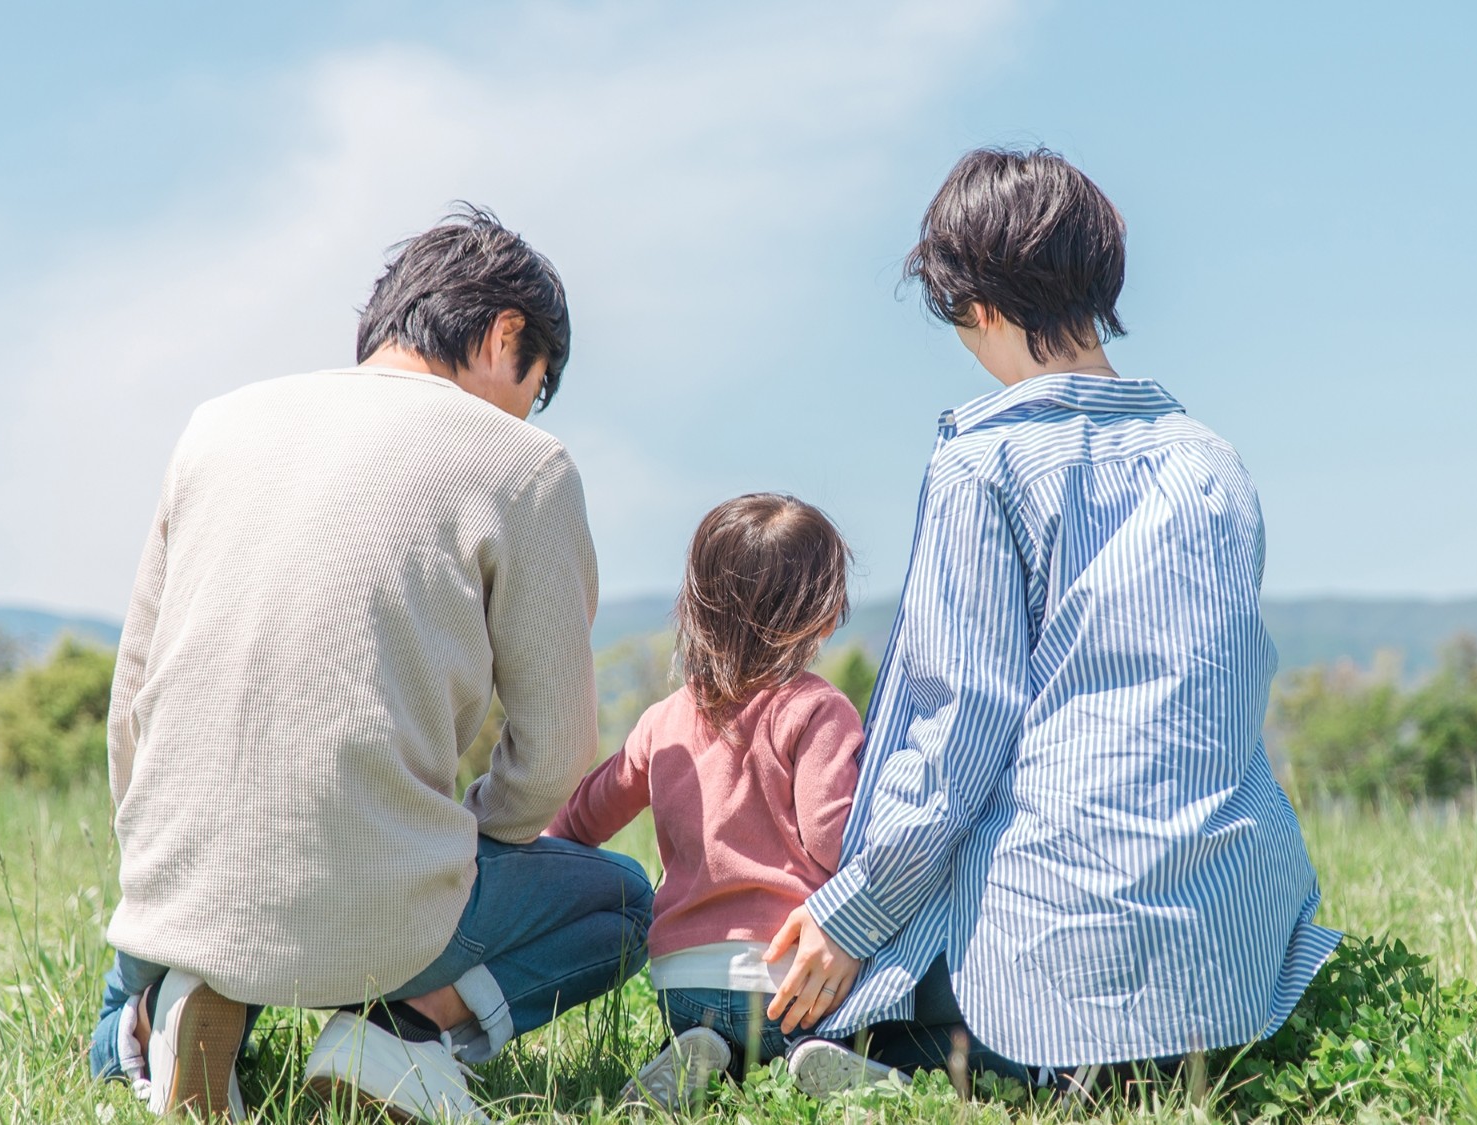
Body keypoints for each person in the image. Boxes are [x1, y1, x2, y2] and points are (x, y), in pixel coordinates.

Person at [764, 148, 1343, 1098]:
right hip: (1233, 969)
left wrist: (850, 915)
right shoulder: (1211, 461)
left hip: (1055, 962)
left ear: (977, 305)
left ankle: (912, 1065)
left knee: (840, 993)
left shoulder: (982, 465)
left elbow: (960, 733)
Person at [91, 205, 653, 1123]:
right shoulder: (525, 465)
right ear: (507, 333)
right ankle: (394, 1035)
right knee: (624, 901)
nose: (528, 408)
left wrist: (164, 854)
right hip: (380, 914)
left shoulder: (215, 426)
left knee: (150, 949)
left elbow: (131, 707)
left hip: (174, 883)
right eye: (535, 381)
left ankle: (158, 1015)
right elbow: (555, 755)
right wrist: (471, 839)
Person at [544, 493, 868, 1108]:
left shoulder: (664, 718)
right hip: (790, 979)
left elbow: (584, 817)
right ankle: (813, 1057)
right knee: (839, 1007)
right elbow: (834, 840)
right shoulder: (818, 709)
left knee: (706, 1030)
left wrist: (540, 849)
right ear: (824, 618)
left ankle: (701, 1048)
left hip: (683, 980)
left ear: (697, 609)